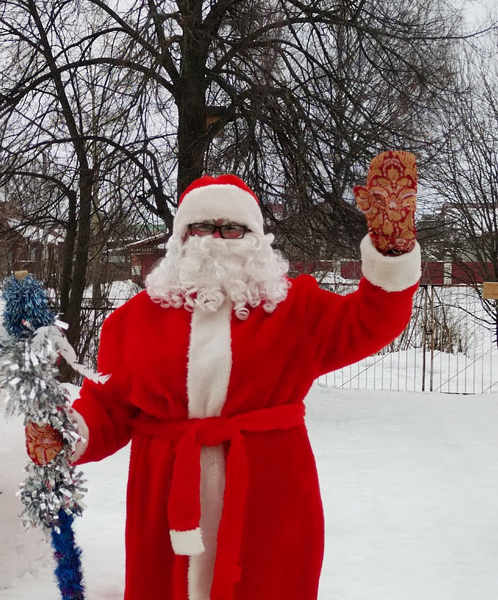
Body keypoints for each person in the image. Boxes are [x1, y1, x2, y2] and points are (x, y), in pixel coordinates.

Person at [25, 151, 421, 600]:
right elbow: (113, 404)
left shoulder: (295, 309)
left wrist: (392, 253)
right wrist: (67, 433)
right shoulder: (135, 319)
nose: (215, 239)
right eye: (201, 228)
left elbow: (370, 321)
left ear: (256, 237)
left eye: (231, 228)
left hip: (268, 487)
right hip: (168, 487)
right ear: (180, 238)